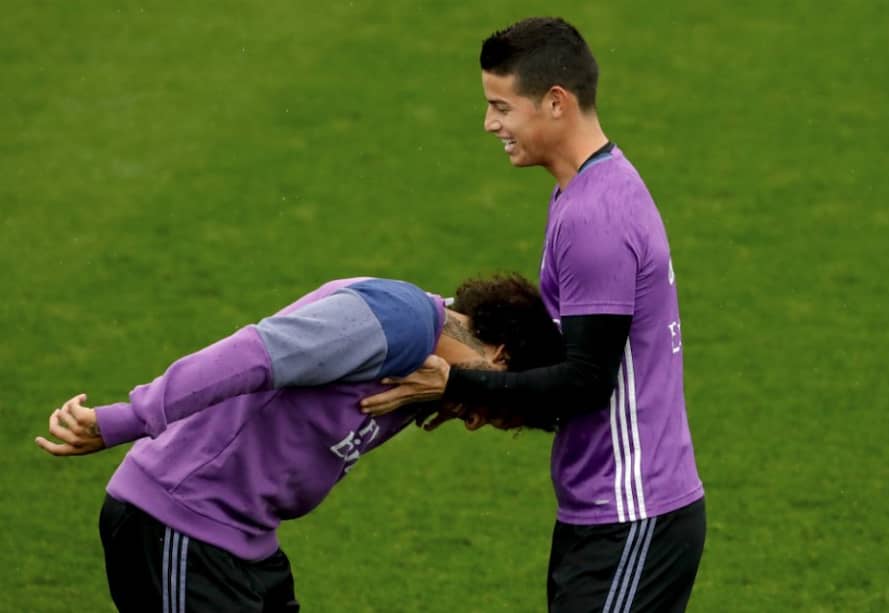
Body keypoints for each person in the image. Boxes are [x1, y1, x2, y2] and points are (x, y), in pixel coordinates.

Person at [361, 17, 706, 613]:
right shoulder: (587, 191)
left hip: (631, 513)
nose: (490, 123)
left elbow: (587, 380)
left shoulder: (595, 219)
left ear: (555, 103)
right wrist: (480, 390)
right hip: (607, 509)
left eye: (502, 107)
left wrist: (458, 381)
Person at [35, 273, 563, 613]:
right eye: (496, 410)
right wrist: (126, 418)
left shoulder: (425, 377)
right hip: (178, 522)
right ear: (499, 357)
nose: (474, 421)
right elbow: (251, 355)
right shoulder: (395, 320)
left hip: (244, 543)